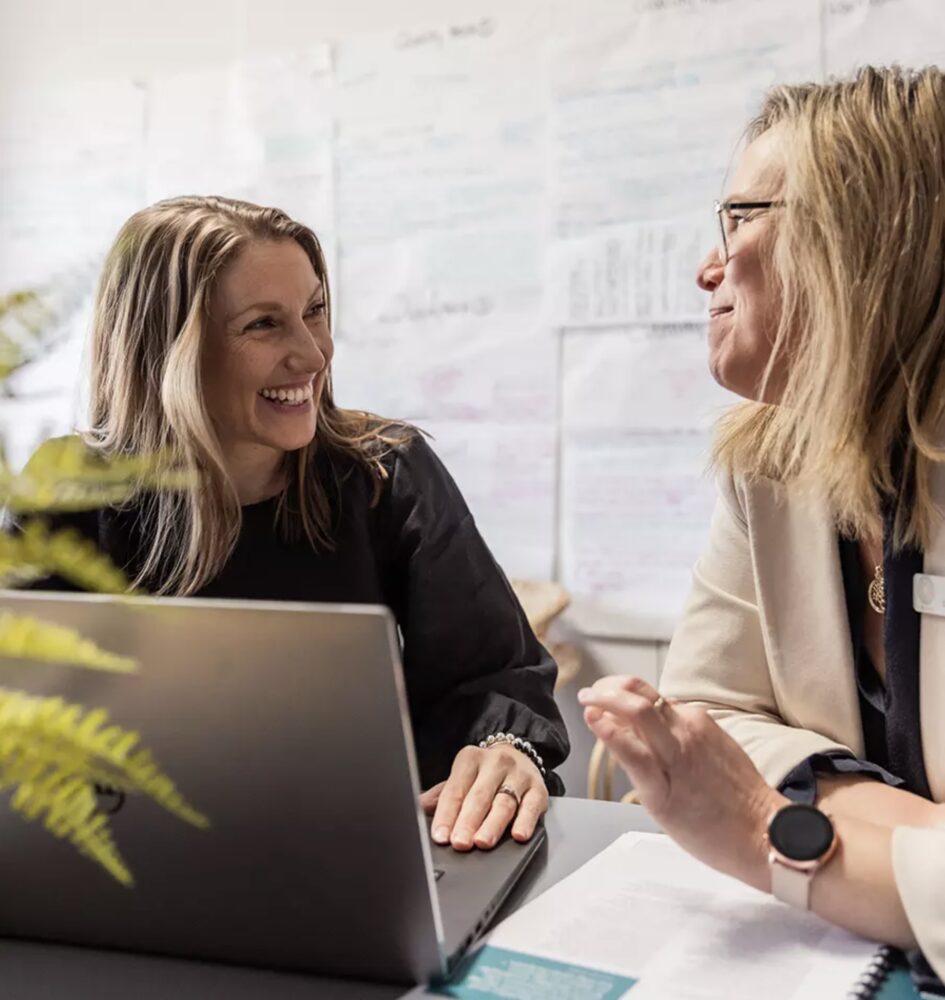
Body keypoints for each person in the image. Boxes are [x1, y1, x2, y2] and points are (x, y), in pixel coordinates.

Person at [21, 195, 569, 852]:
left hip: (361, 855)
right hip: (119, 863)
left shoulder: (387, 475)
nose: (312, 355)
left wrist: (505, 749)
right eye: (263, 325)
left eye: (314, 311)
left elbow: (494, 675)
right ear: (169, 349)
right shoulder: (69, 493)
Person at [580, 66, 945, 987]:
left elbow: (725, 790)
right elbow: (700, 715)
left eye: (739, 220)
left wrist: (765, 831)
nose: (708, 267)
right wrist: (910, 838)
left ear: (863, 241)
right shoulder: (766, 463)